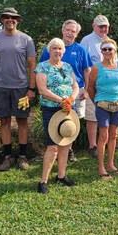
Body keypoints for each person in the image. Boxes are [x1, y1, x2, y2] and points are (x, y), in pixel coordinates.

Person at [0, 7, 36, 171]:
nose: (10, 19)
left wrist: (31, 88)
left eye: (13, 17)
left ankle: (22, 156)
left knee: (22, 121)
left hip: (21, 88)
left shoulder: (26, 40)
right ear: (1, 19)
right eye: (6, 17)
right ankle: (7, 157)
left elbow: (32, 65)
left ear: (18, 20)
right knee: (4, 121)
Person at [39, 19, 92, 161]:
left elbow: (87, 71)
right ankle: (54, 149)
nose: (70, 33)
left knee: (71, 121)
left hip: (75, 92)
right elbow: (41, 69)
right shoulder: (50, 48)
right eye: (67, 30)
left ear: (77, 34)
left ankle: (68, 150)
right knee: (54, 121)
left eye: (73, 31)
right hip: (52, 93)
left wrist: (86, 90)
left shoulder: (81, 50)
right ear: (63, 31)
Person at [35, 38, 79, 193]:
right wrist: (61, 100)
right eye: (54, 48)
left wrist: (71, 98)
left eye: (60, 48)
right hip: (51, 110)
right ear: (49, 50)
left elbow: (75, 86)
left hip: (67, 109)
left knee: (66, 143)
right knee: (53, 146)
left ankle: (61, 176)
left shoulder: (67, 66)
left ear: (63, 51)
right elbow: (42, 90)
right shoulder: (42, 67)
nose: (57, 51)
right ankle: (43, 181)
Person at [87, 38, 118, 180]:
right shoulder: (97, 68)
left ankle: (110, 164)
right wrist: (96, 102)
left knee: (114, 134)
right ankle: (101, 167)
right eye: (104, 49)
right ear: (101, 51)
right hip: (102, 104)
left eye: (110, 49)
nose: (107, 51)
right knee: (103, 135)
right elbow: (90, 87)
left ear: (115, 50)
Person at [81, 14, 110, 158]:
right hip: (92, 84)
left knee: (106, 114)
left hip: (108, 86)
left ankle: (105, 143)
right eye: (100, 26)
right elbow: (82, 64)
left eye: (105, 26)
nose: (103, 29)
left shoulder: (109, 41)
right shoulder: (86, 40)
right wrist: (86, 87)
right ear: (94, 26)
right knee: (92, 115)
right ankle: (92, 146)